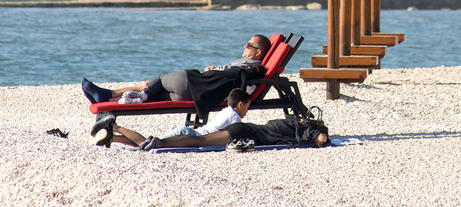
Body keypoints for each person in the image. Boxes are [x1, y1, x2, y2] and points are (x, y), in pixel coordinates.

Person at [81, 35, 271, 105]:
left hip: (193, 83)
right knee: (158, 94)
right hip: (199, 96)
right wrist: (216, 70)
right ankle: (109, 98)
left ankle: (141, 94)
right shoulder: (249, 67)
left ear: (258, 52)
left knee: (159, 80)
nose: (244, 46)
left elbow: (232, 75)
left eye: (249, 44)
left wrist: (214, 70)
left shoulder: (249, 66)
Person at [93, 88, 252, 147]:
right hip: (189, 136)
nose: (246, 111)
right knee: (148, 144)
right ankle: (114, 127)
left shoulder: (226, 111)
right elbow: (236, 135)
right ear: (240, 104)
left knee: (147, 143)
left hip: (189, 132)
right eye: (247, 106)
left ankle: (113, 138)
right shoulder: (235, 117)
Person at [138, 116, 330, 151]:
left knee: (200, 139)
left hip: (245, 128)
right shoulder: (301, 127)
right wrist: (322, 139)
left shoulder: (292, 121)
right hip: (244, 132)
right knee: (200, 140)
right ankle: (160, 143)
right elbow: (320, 137)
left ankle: (161, 142)